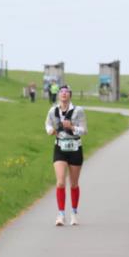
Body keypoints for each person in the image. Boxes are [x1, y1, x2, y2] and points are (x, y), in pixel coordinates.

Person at [45, 85, 88, 226]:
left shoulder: (78, 111)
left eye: (66, 92)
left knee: (74, 184)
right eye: (61, 92)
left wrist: (72, 127)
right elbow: (47, 125)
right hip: (60, 148)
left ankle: (74, 213)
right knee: (60, 182)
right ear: (58, 95)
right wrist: (50, 130)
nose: (64, 94)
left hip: (75, 148)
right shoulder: (53, 110)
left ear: (70, 95)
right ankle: (61, 214)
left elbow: (84, 130)